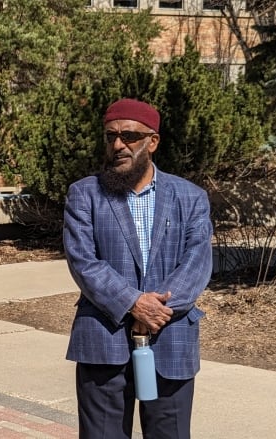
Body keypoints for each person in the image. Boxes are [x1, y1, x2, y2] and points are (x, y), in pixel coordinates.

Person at [63, 98, 213, 439]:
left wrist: (156, 310)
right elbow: (83, 261)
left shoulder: (190, 197)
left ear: (153, 142)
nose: (118, 145)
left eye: (129, 136)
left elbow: (197, 262)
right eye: (110, 136)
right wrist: (133, 302)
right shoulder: (85, 194)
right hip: (104, 338)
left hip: (170, 337)